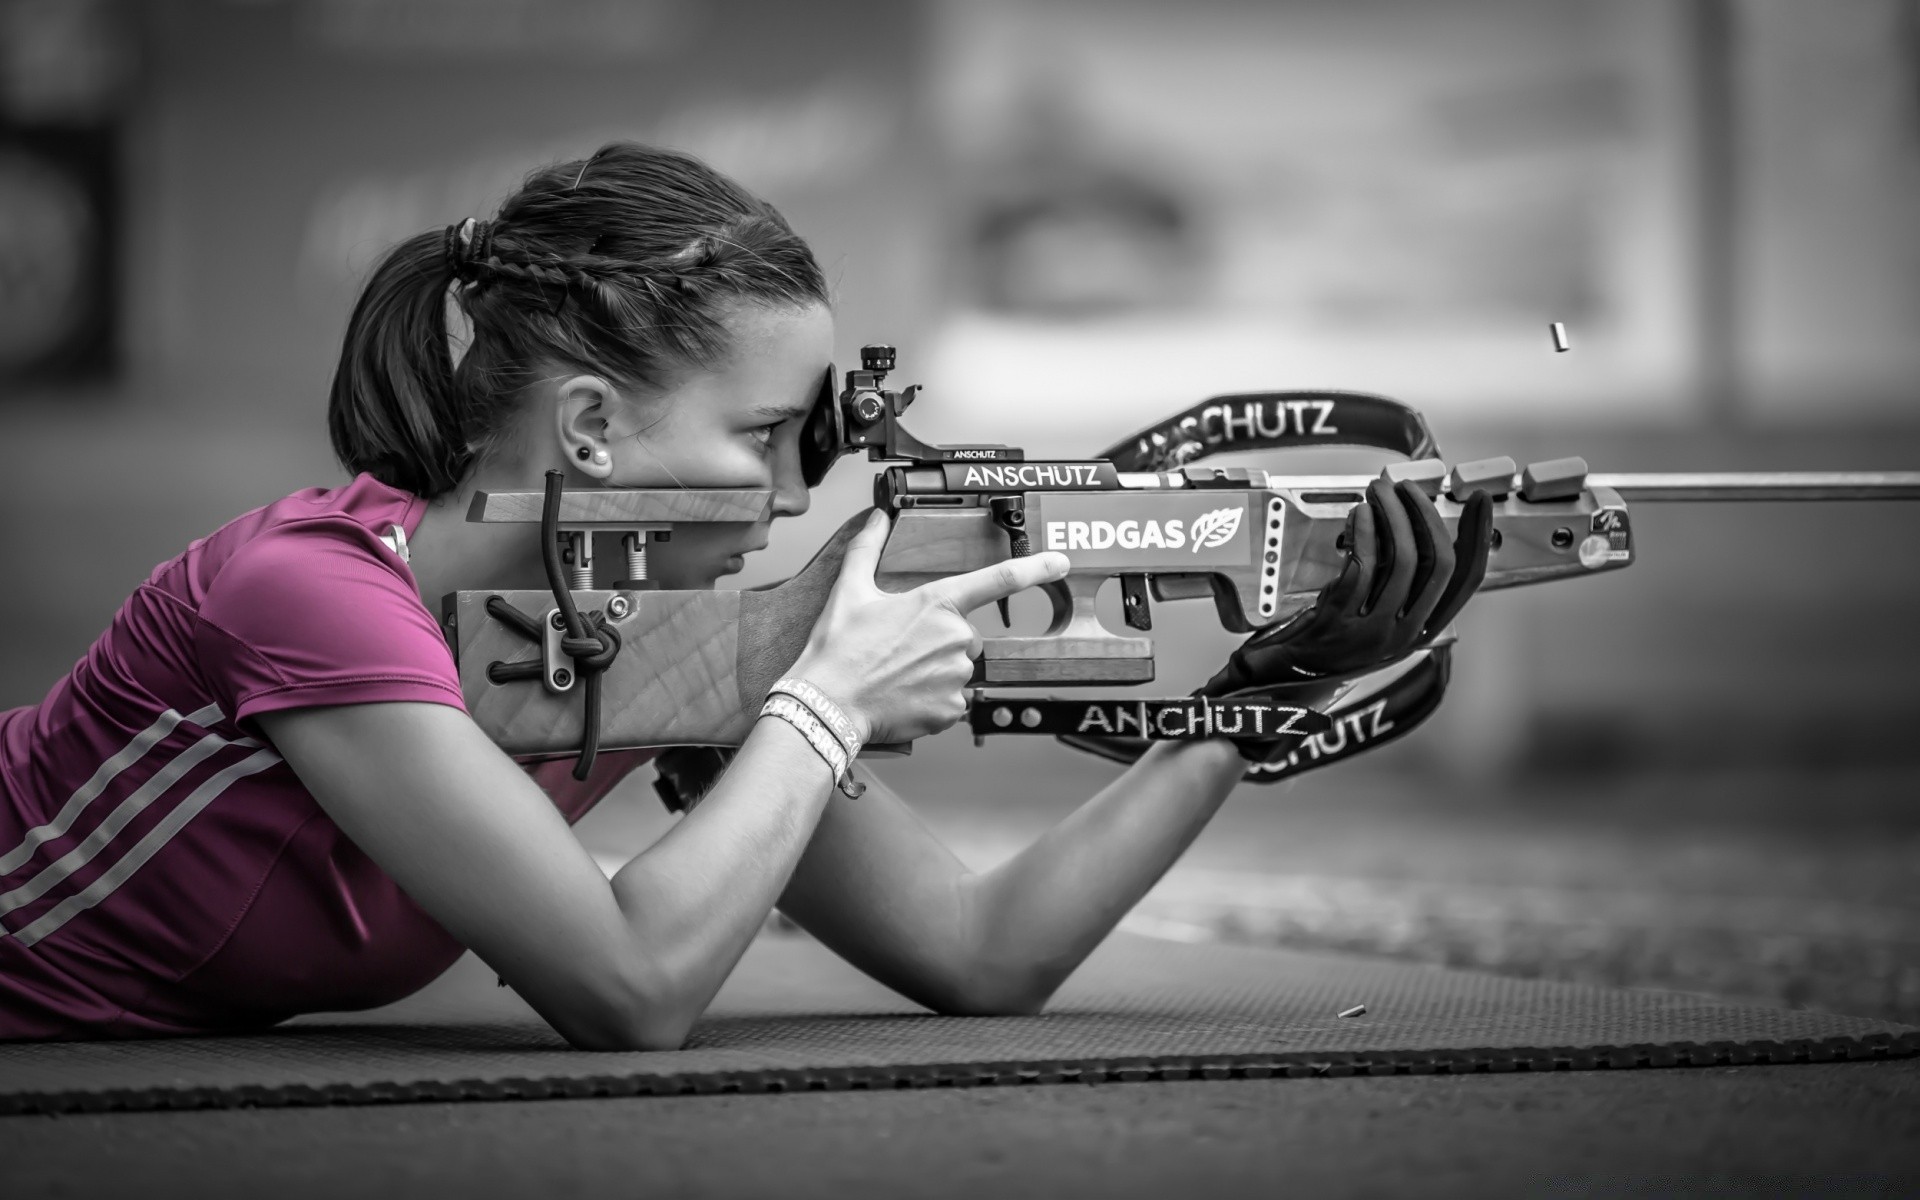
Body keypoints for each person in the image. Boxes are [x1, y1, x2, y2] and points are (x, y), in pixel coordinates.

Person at [0, 143, 1487, 1047]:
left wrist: (1256, 697)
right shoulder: (307, 592)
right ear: (590, 431)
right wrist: (824, 702)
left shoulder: (635, 633)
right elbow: (629, 989)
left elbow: (983, 954)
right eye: (767, 439)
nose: (790, 497)